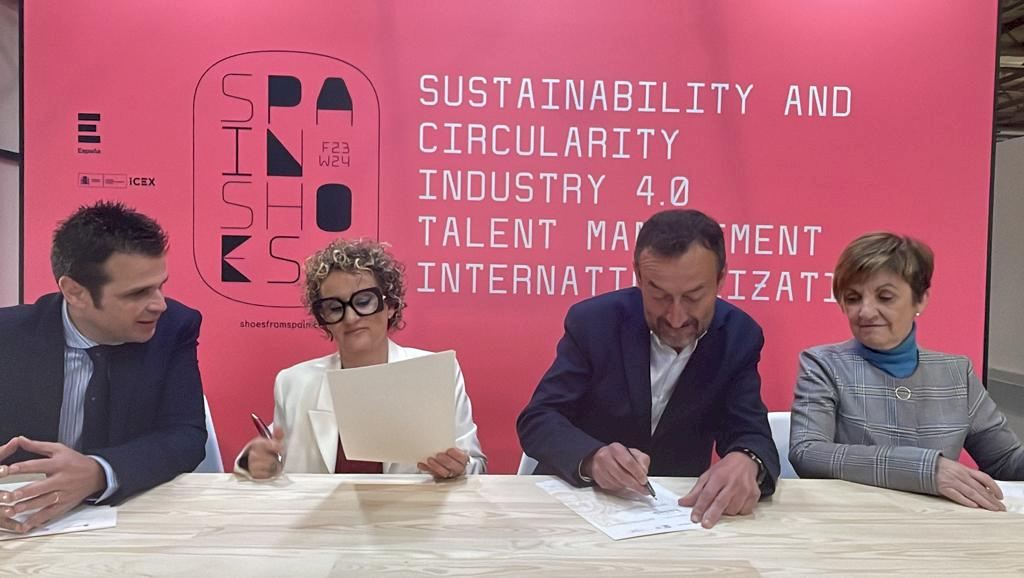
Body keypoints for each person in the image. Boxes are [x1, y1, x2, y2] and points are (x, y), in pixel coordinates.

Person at [517, 209, 779, 529]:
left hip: (673, 517)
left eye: (694, 296)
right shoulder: (594, 322)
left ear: (721, 279)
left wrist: (748, 460)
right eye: (659, 295)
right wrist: (592, 458)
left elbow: (750, 432)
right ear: (639, 276)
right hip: (576, 509)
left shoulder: (739, 336)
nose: (676, 317)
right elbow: (539, 419)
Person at [0, 201, 207, 533]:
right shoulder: (8, 337)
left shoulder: (174, 329)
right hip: (20, 522)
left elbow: (185, 436)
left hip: (128, 520)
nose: (159, 305)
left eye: (160, 285)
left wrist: (98, 472)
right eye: (138, 293)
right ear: (75, 292)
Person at [790, 232, 1024, 510]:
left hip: (939, 526)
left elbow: (1005, 461)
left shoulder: (957, 373)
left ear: (920, 299)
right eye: (853, 298)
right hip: (852, 520)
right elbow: (807, 453)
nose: (866, 312)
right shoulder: (823, 364)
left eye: (885, 297)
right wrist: (925, 469)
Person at [236, 238, 486, 479]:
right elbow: (272, 459)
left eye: (364, 302)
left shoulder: (435, 374)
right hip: (321, 511)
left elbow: (476, 467)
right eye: (335, 308)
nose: (351, 318)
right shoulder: (294, 383)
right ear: (323, 319)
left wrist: (457, 469)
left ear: (391, 305)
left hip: (412, 510)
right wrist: (254, 462)